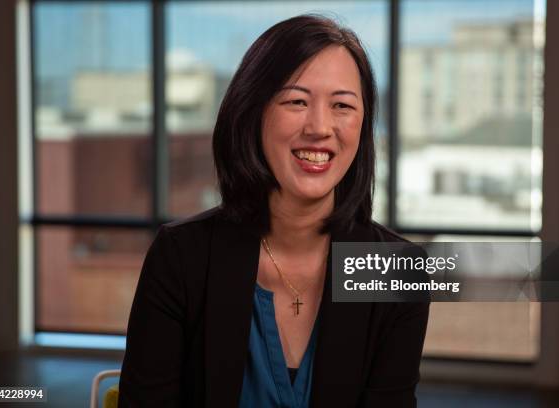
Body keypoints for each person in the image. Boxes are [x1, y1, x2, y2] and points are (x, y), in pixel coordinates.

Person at [118, 14, 429, 408]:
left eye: (342, 105)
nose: (320, 126)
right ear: (254, 113)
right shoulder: (182, 257)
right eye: (296, 101)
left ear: (363, 125)